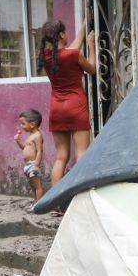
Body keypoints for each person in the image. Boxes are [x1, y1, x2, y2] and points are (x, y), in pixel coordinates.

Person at [37, 19, 97, 189]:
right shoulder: (73, 55)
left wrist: (85, 25)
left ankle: (56, 202)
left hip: (57, 108)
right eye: (65, 31)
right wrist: (91, 46)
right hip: (76, 106)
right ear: (62, 34)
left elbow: (71, 47)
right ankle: (81, 194)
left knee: (61, 157)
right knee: (81, 153)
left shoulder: (46, 57)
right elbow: (92, 69)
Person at [15, 108, 45, 204]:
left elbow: (40, 151)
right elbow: (24, 148)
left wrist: (36, 165)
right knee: (32, 185)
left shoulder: (37, 136)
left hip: (33, 164)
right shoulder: (30, 135)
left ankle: (39, 205)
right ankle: (35, 202)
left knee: (37, 186)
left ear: (32, 124)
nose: (21, 126)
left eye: (23, 123)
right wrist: (18, 141)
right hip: (28, 165)